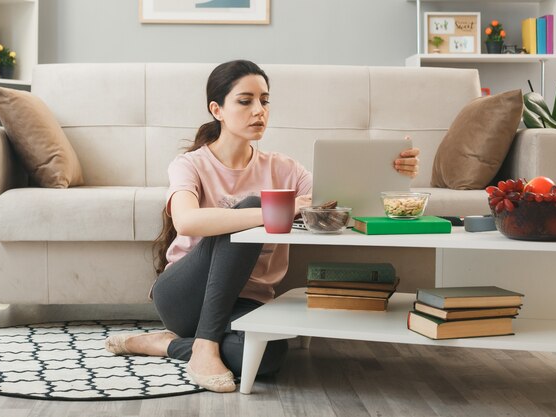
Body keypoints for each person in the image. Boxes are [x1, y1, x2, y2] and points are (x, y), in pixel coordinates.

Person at [105, 60, 420, 393]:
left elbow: (342, 204)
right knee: (256, 204)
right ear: (217, 109)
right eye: (245, 101)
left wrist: (396, 174)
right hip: (185, 295)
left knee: (266, 359)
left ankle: (171, 345)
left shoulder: (285, 169)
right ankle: (206, 342)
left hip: (247, 299)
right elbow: (186, 220)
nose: (259, 110)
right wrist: (275, 210)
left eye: (264, 100)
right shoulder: (190, 164)